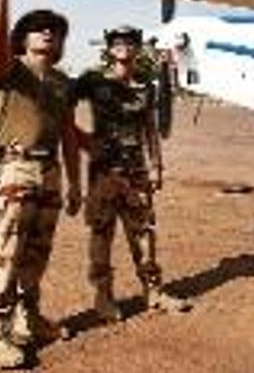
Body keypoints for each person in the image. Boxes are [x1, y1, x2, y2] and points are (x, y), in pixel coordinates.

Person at [0, 0, 81, 368]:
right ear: (23, 39)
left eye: (55, 31)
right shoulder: (13, 69)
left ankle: (29, 319)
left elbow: (70, 136)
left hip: (50, 171)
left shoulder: (63, 84)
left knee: (37, 257)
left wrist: (75, 183)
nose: (48, 33)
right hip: (15, 170)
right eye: (40, 28)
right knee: (8, 254)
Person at [72, 25, 188, 323]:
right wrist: (83, 140)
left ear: (136, 49)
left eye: (130, 42)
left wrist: (157, 165)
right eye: (117, 42)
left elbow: (149, 129)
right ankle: (103, 298)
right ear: (109, 49)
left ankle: (153, 293)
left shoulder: (145, 87)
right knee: (101, 235)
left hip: (136, 172)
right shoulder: (93, 80)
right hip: (103, 174)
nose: (124, 46)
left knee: (144, 235)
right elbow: (61, 108)